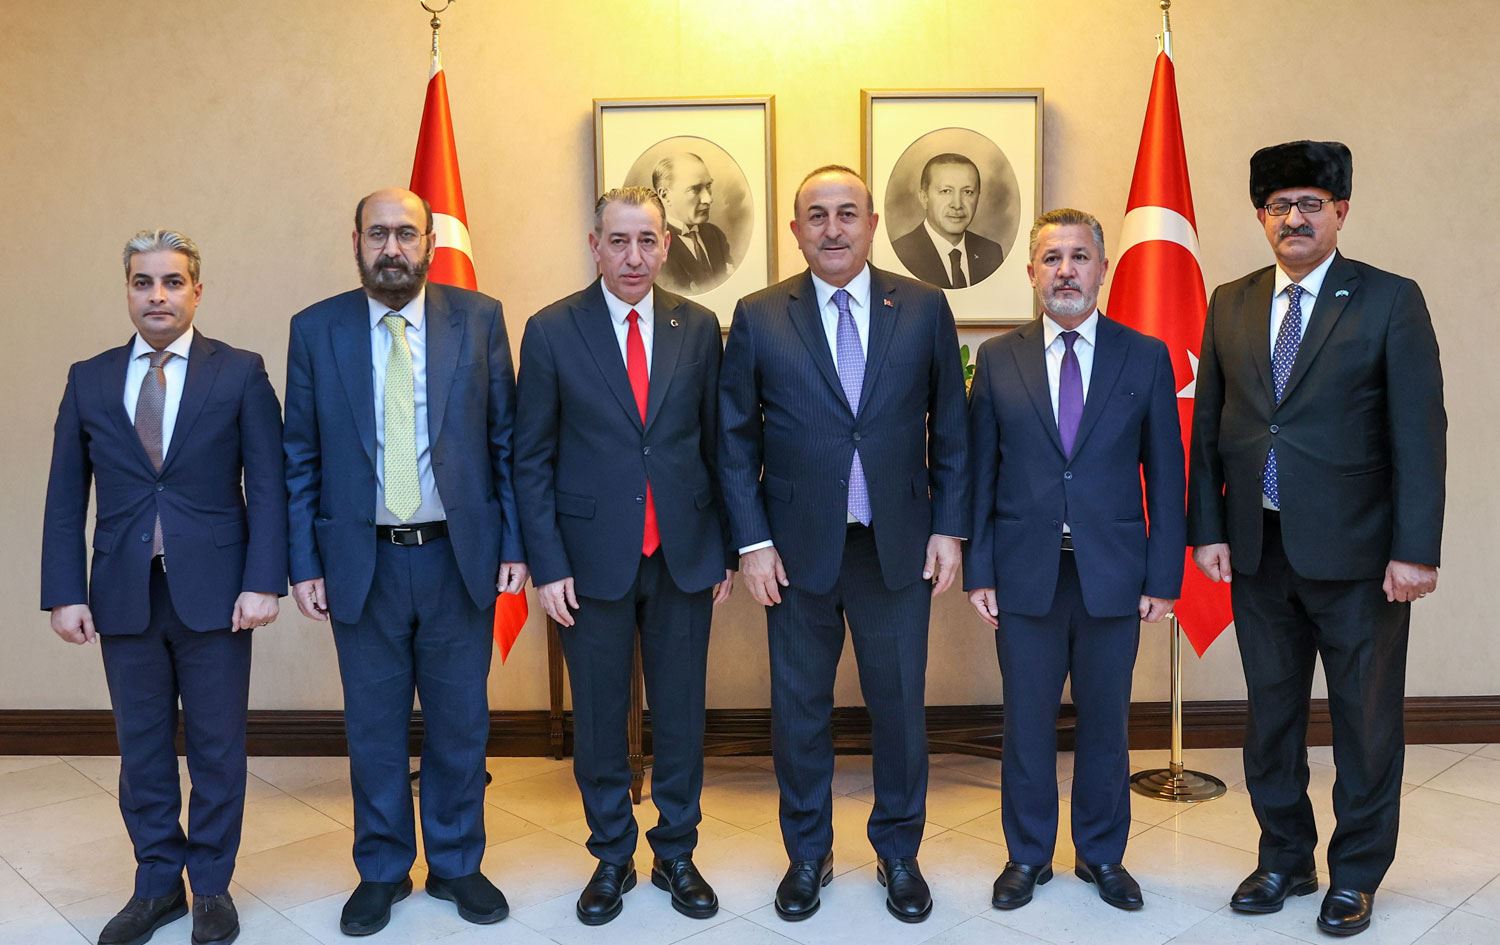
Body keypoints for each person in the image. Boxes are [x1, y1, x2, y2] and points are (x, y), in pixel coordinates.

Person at [1188, 140, 1445, 937]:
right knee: (1270, 719)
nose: (1293, 218)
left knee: (1366, 726)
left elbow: (1420, 433)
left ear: (1340, 211)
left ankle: (1356, 872)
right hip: (1257, 549)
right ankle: (1285, 858)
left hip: (1363, 559)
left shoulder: (1389, 300)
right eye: (1279, 205)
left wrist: (1415, 548)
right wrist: (1208, 529)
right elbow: (1210, 427)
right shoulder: (1230, 301)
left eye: (1309, 204)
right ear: (1260, 215)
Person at [719, 165, 968, 923]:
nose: (833, 228)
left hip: (897, 545)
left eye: (847, 213)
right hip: (794, 552)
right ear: (796, 230)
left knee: (899, 709)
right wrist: (752, 542)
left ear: (872, 224)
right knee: (799, 711)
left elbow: (952, 429)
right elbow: (734, 440)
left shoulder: (922, 307)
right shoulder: (760, 314)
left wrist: (949, 527)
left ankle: (899, 851)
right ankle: (807, 853)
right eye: (817, 215)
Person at [282, 188, 528, 935]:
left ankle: (456, 863)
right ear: (356, 240)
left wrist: (513, 544)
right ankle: (383, 869)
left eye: (407, 234)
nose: (393, 248)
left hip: (458, 557)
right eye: (378, 234)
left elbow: (506, 442)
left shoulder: (478, 318)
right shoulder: (316, 329)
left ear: (430, 243)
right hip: (363, 562)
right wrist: (304, 561)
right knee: (374, 728)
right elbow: (300, 455)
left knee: (460, 723)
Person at [40, 229, 286, 945]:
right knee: (142, 749)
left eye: (173, 282)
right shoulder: (89, 378)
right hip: (122, 593)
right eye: (143, 282)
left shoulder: (239, 372)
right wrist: (65, 590)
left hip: (218, 593)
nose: (158, 295)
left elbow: (269, 487)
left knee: (216, 748)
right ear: (127, 291)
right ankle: (156, 885)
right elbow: (64, 496)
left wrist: (263, 581)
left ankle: (210, 885)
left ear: (196, 292)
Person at [513, 185, 735, 926]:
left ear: (666, 245)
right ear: (595, 245)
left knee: (681, 715)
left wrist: (724, 548)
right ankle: (612, 853)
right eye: (619, 240)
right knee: (602, 720)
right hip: (588, 561)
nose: (634, 255)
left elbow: (718, 446)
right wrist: (547, 563)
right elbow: (530, 459)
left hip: (683, 554)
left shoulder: (696, 327)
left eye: (647, 240)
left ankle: (676, 851)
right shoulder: (551, 330)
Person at [964, 208, 1184, 913]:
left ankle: (1101, 854)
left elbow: (1167, 475)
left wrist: (1164, 576)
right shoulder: (998, 359)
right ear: (1032, 272)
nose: (1066, 271)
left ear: (1102, 268)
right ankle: (1027, 855)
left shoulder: (1144, 355)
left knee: (1106, 722)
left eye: (1080, 257)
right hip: (1024, 570)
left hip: (1113, 573)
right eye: (1052, 258)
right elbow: (980, 474)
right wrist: (979, 569)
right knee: (1026, 723)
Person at [890, 153, 1005, 289]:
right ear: (924, 198)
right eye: (946, 191)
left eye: (967, 192)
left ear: (978, 197)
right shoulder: (901, 253)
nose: (957, 204)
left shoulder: (991, 252)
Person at [653, 152, 733, 294]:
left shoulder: (716, 235)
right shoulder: (652, 247)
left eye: (708, 186)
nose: (708, 199)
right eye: (695, 189)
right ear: (665, 195)